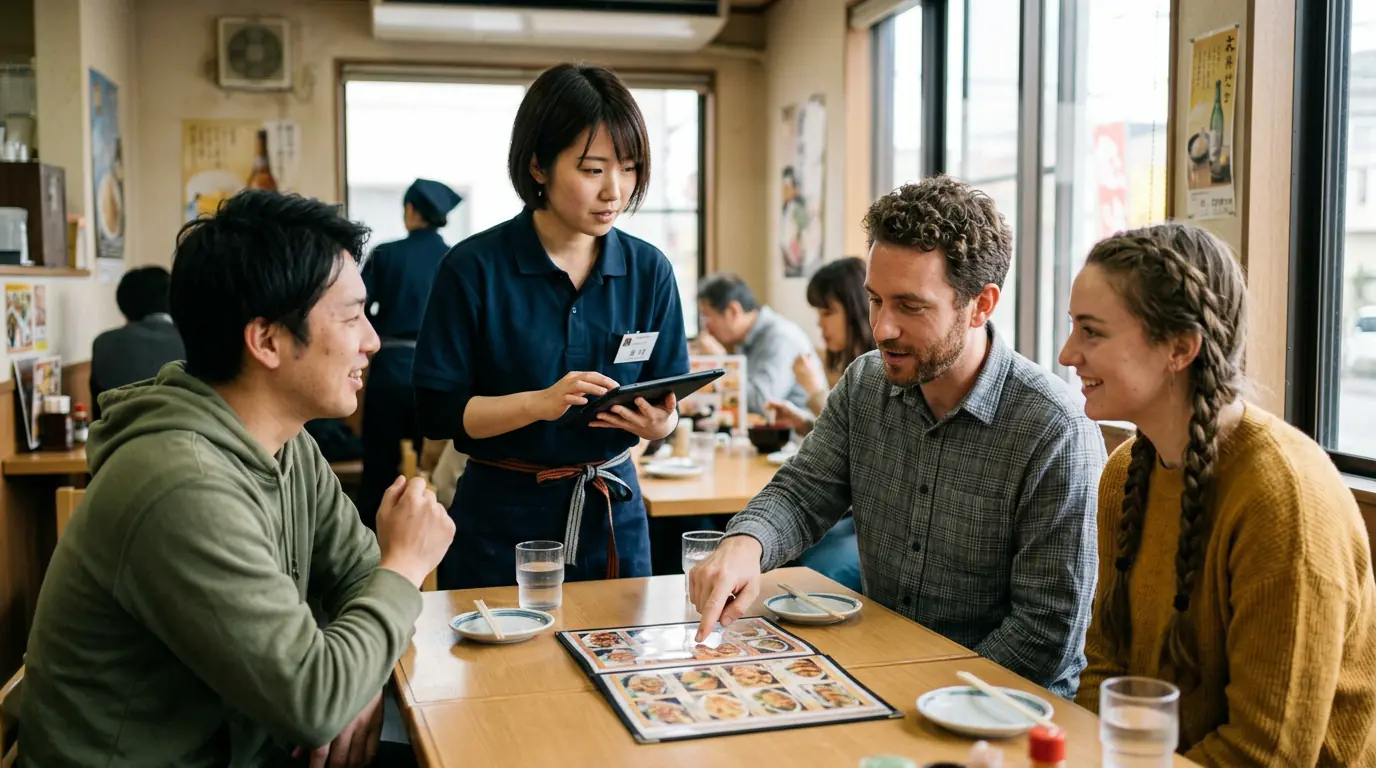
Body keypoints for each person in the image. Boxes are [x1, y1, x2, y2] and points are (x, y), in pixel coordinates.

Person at [19, 190, 455, 766]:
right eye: (351, 317)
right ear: (267, 340)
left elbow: (356, 577)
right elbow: (316, 693)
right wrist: (406, 564)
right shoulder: (182, 485)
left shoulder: (286, 441)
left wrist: (355, 682)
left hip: (259, 740)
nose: (372, 340)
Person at [688, 176, 1105, 698]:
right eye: (875, 300)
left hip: (1000, 708)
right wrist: (745, 544)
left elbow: (1044, 635)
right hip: (883, 679)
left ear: (981, 304)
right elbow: (801, 493)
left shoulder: (1053, 429)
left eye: (910, 306)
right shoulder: (867, 382)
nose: (882, 327)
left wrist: (919, 693)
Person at [1061, 223, 1376, 765]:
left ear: (1180, 347)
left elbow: (1268, 754)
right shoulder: (1124, 474)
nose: (1068, 354)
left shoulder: (1282, 498)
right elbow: (1102, 670)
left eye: (1091, 332)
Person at [412, 62, 689, 590]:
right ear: (538, 166)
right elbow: (438, 413)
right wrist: (539, 403)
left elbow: (666, 396)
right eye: (592, 170)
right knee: (499, 671)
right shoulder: (473, 268)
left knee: (623, 667)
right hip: (502, 518)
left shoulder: (649, 269)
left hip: (612, 512)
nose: (615, 190)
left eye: (628, 168)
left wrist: (661, 428)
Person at [765, 256, 875, 592]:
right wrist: (803, 423)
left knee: (806, 570)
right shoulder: (851, 367)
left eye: (828, 313)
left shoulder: (882, 371)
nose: (820, 326)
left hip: (860, 522)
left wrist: (815, 392)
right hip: (847, 517)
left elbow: (864, 447)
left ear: (857, 309)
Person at [358, 178, 463, 529]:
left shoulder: (387, 255)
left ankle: (372, 551)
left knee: (379, 468)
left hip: (389, 372)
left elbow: (357, 310)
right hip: (441, 378)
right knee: (434, 469)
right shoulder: (456, 257)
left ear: (410, 211)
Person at [693, 272, 813, 414]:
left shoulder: (779, 337)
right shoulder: (744, 338)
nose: (705, 327)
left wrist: (722, 361)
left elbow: (762, 403)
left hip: (796, 433)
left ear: (732, 311)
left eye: (706, 315)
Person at [89, 265, 186, 420]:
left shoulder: (104, 343)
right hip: (184, 437)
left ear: (124, 305)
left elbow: (98, 411)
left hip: (116, 439)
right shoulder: (191, 339)